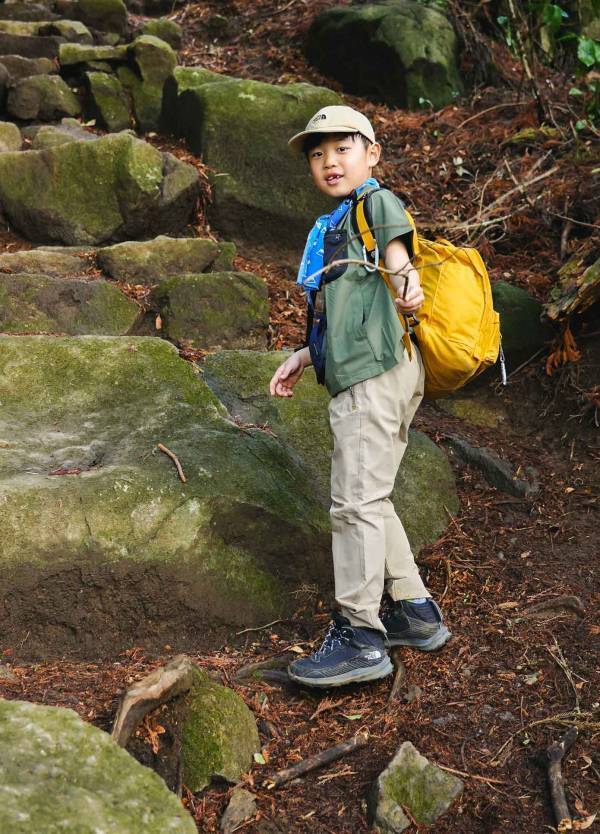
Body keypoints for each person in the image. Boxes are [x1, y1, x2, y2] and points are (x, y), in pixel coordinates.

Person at [269, 106, 451, 688]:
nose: (329, 161)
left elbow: (399, 261)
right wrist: (303, 356)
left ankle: (360, 636)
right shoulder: (341, 222)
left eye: (342, 148)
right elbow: (347, 311)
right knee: (371, 497)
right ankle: (415, 612)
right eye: (317, 154)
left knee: (353, 504)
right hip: (378, 369)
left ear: (371, 153)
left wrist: (408, 285)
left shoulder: (376, 203)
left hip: (374, 374)